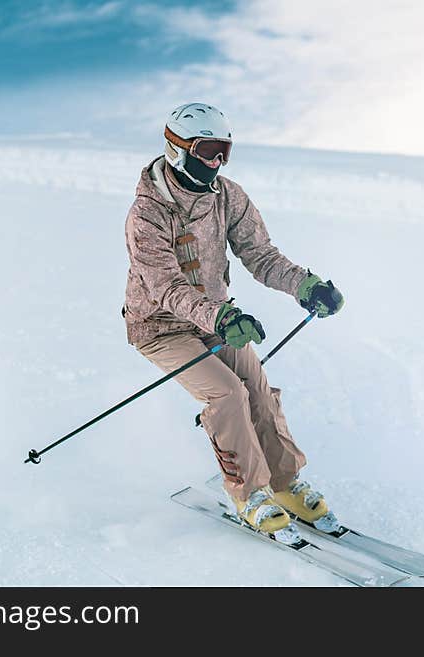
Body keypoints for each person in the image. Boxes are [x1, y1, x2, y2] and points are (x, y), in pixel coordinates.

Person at [122, 102, 344, 537]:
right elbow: (164, 287)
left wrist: (304, 285)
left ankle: (284, 483)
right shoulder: (146, 213)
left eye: (224, 150)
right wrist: (220, 315)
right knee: (226, 394)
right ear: (177, 149)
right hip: (161, 327)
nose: (217, 161)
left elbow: (260, 255)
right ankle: (247, 494)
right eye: (207, 150)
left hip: (217, 322)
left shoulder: (229, 197)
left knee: (257, 387)